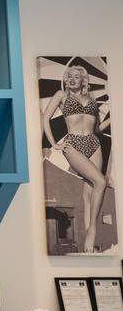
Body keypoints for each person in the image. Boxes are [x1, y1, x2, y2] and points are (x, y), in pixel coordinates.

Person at [42, 63, 113, 252]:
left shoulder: (91, 97)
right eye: (69, 76)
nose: (72, 79)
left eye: (76, 76)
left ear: (83, 80)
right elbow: (45, 118)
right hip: (73, 144)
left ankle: (88, 245)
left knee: (89, 193)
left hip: (93, 143)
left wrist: (113, 117)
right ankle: (92, 230)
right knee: (100, 181)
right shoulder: (61, 95)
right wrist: (54, 143)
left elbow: (97, 129)